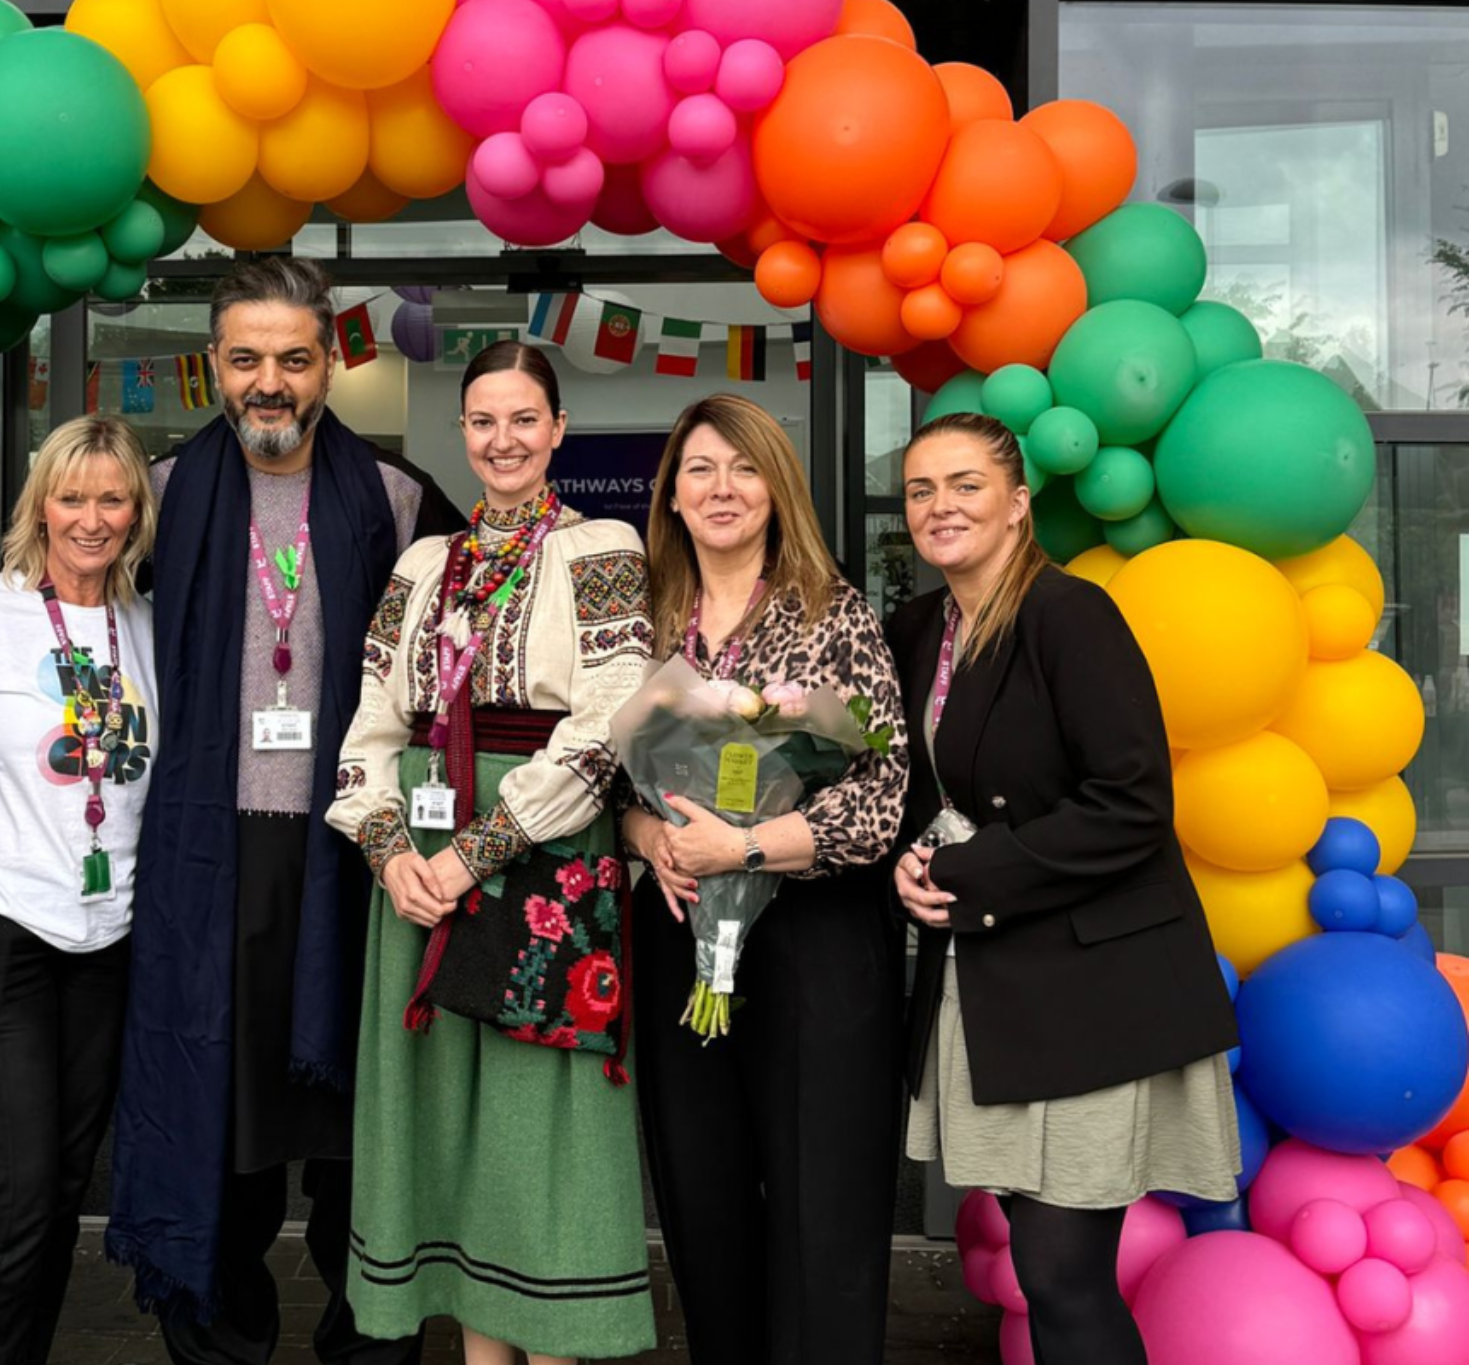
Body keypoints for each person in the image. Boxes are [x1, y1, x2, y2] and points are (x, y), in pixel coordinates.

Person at [107, 256, 458, 1365]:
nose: (269, 382)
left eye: (292, 360)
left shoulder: (396, 498)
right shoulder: (157, 499)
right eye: (247, 358)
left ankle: (369, 1344)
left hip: (352, 856)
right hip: (205, 861)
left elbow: (462, 667)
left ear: (329, 364)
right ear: (213, 364)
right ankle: (220, 1343)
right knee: (220, 1124)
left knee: (359, 1131)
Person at [328, 340, 657, 1364]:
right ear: (460, 432)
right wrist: (389, 853)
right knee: (445, 1126)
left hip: (540, 858)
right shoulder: (422, 564)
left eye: (523, 419)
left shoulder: (603, 549)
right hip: (417, 868)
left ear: (557, 429)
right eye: (482, 420)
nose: (502, 439)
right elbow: (370, 728)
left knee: (535, 1135)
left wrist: (479, 851)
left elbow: (608, 723)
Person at [888, 412, 1240, 1365]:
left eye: (965, 484)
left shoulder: (1069, 613)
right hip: (998, 986)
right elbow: (911, 787)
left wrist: (961, 871)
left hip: (1093, 992)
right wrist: (906, 860)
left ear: (1017, 502)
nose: (940, 506)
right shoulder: (922, 627)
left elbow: (1131, 805)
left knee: (1061, 1274)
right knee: (1047, 1266)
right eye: (922, 489)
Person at [618, 394, 910, 1365]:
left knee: (818, 1207)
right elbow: (592, 770)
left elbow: (881, 795)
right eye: (697, 469)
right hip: (681, 940)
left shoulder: (833, 614)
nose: (720, 489)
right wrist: (642, 833)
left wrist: (745, 849)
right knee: (701, 1203)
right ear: (669, 492)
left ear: (775, 487)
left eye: (742, 468)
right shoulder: (639, 618)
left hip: (813, 949)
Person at [0, 415, 158, 1365]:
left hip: (106, 940)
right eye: (71, 495)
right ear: (39, 504)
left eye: (111, 497)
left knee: (57, 1192)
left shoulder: (145, 624)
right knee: (9, 1192)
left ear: (135, 512)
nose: (90, 518)